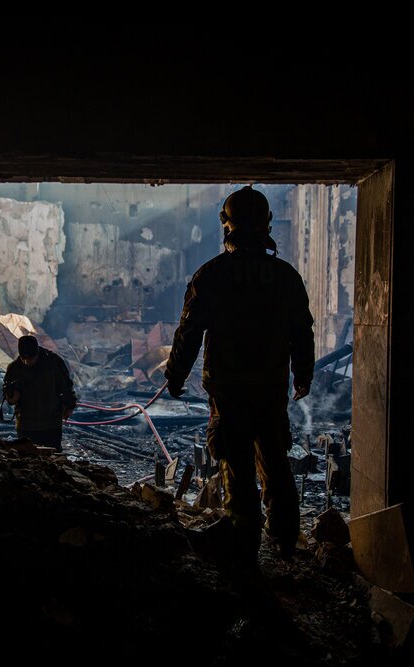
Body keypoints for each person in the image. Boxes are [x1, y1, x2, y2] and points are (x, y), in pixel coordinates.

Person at [164, 185, 314, 564]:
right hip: (270, 388)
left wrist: (176, 375)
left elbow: (189, 332)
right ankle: (284, 540)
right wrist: (303, 375)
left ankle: (244, 542)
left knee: (237, 465)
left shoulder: (211, 276)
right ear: (267, 223)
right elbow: (302, 331)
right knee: (275, 463)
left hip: (228, 391)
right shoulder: (285, 277)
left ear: (225, 224)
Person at [3, 335, 77, 451]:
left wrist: (70, 405)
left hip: (51, 423)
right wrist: (11, 398)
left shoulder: (53, 363)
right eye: (24, 359)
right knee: (28, 457)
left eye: (31, 358)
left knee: (53, 455)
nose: (27, 362)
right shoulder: (14, 368)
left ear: (37, 353)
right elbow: (9, 395)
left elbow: (66, 386)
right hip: (26, 424)